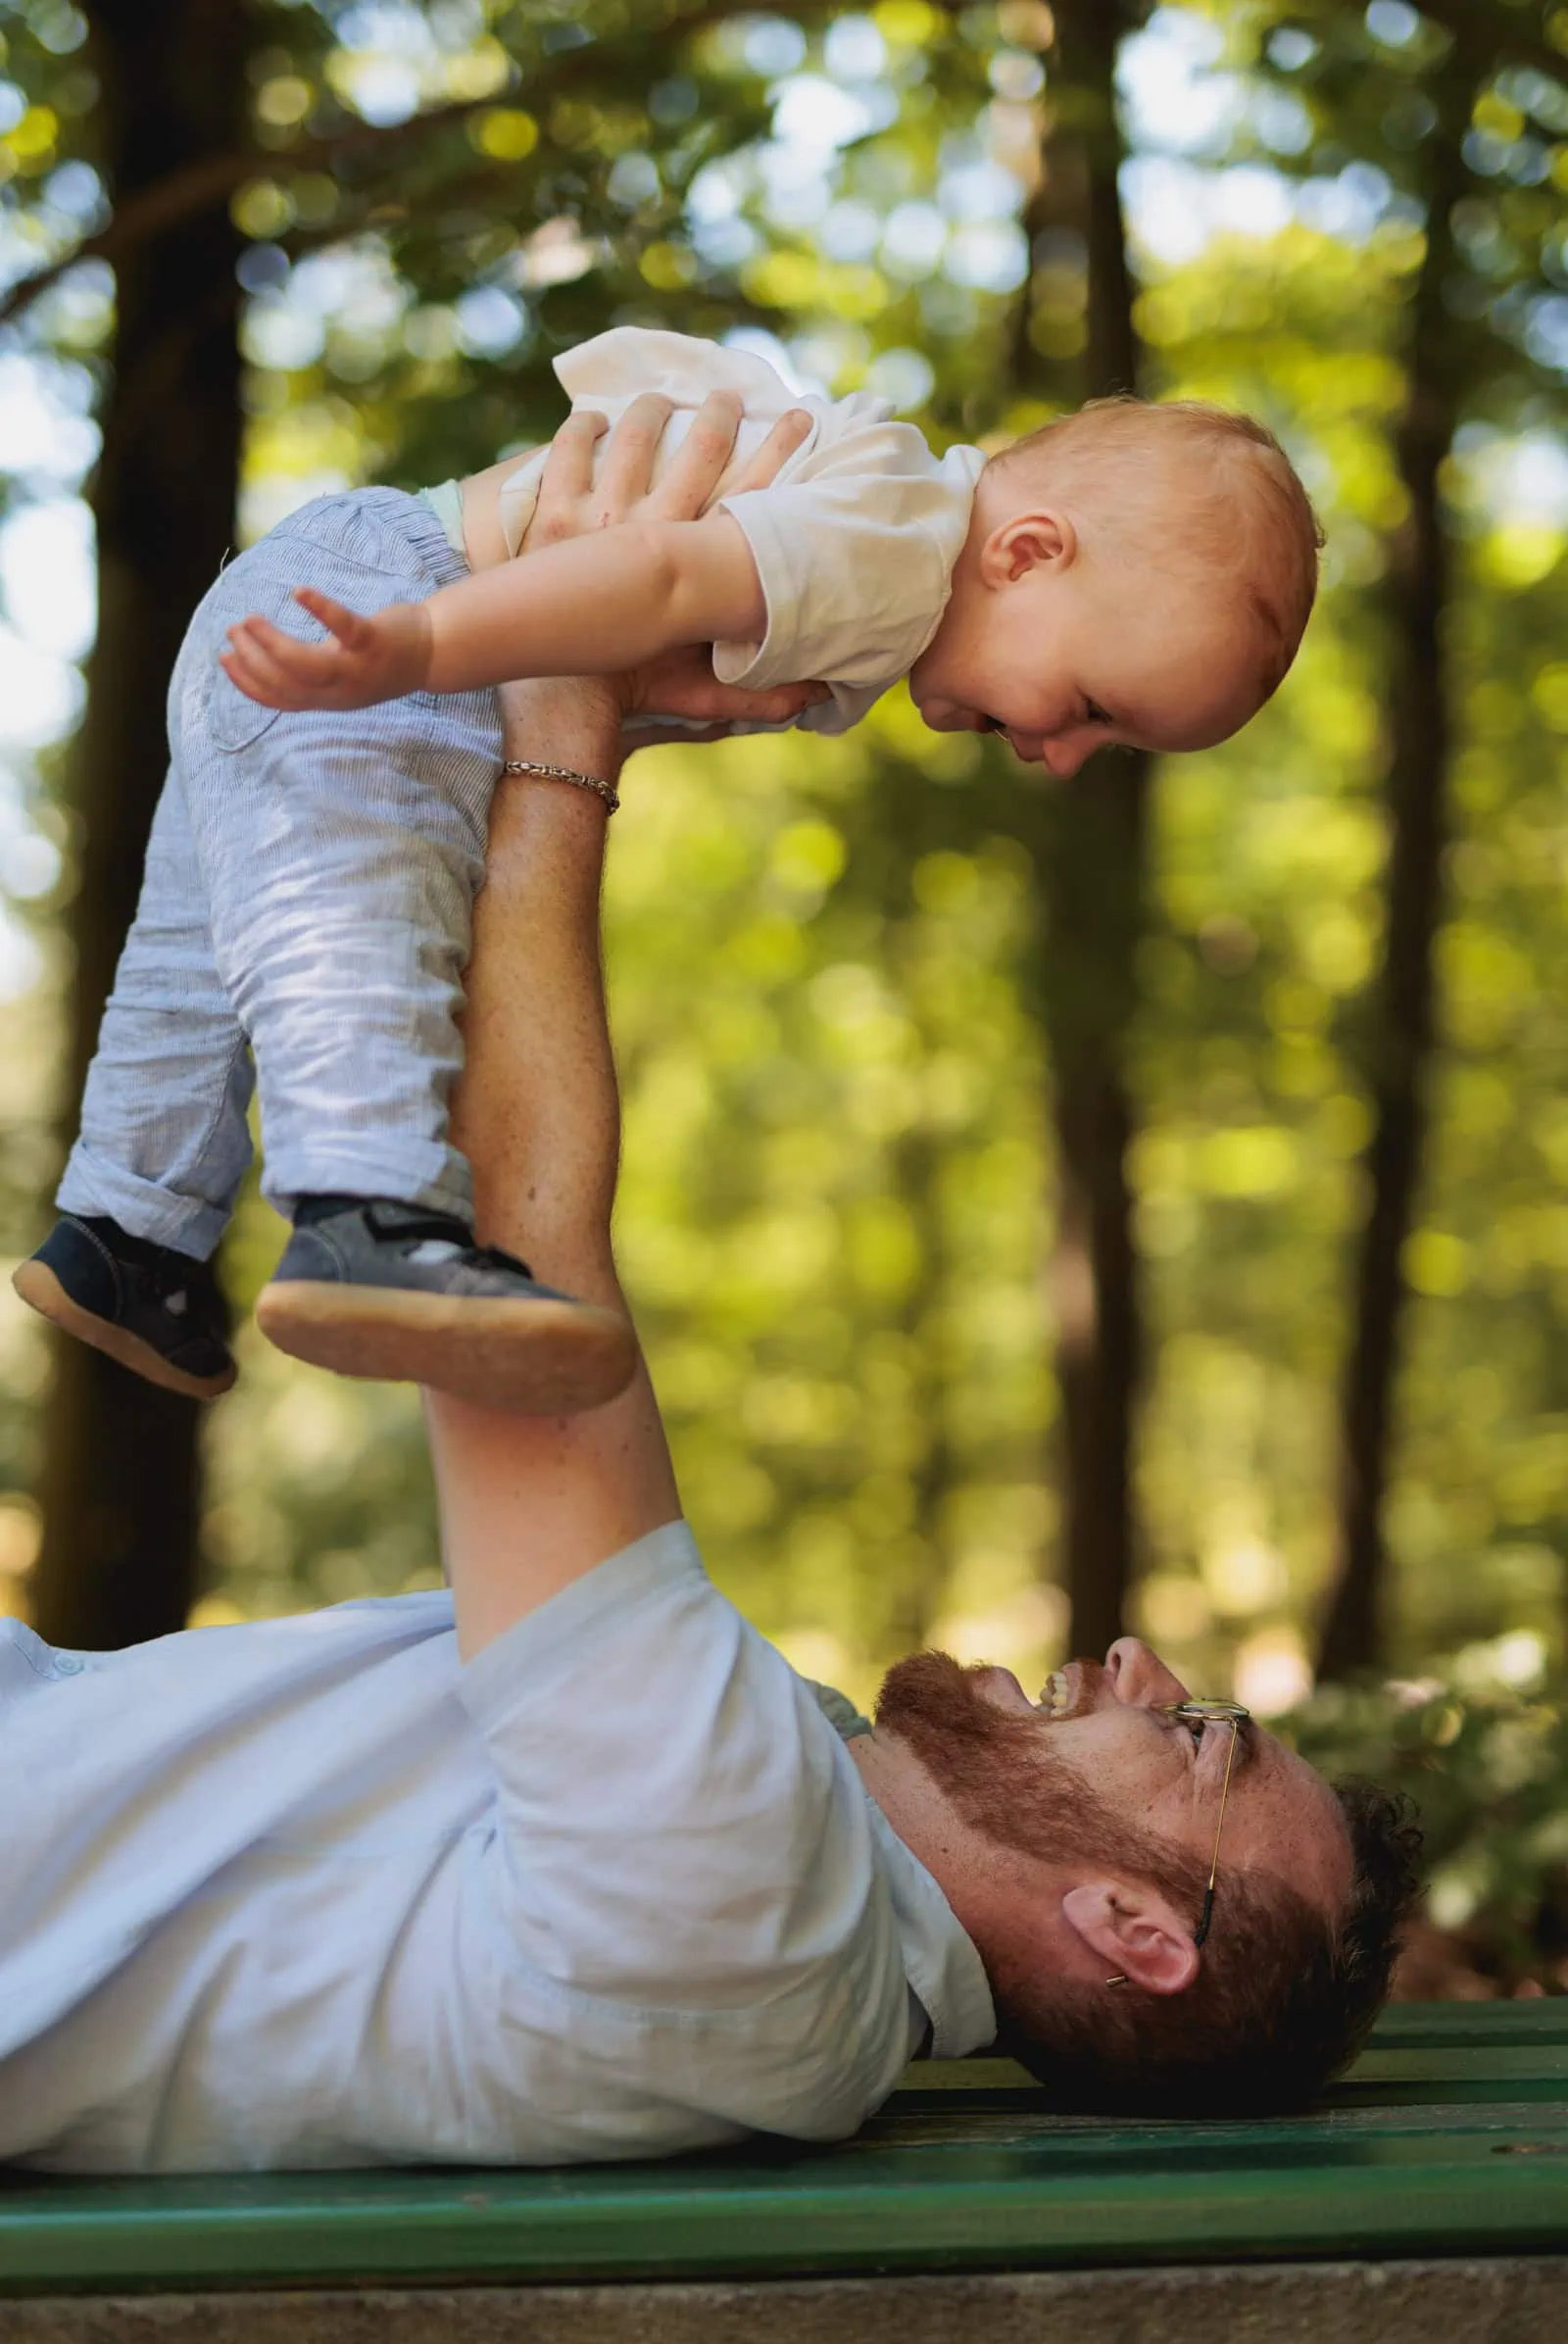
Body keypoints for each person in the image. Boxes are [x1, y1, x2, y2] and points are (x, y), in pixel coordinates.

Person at [0, 428, 1416, 2173]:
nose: (1142, 1659)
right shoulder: (800, 1848)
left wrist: (563, 714)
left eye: (1198, 1739)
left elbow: (516, 1292)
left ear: (1137, 1928)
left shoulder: (756, 1906)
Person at [16, 327, 1323, 1417]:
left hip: (327, 587)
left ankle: (127, 1232)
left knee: (199, 952)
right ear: (1027, 551)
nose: (1061, 755)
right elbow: (651, 568)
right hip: (392, 605)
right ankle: (369, 1214)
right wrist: (414, 646)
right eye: (1092, 705)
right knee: (363, 926)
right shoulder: (898, 547)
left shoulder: (889, 554)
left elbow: (641, 646)